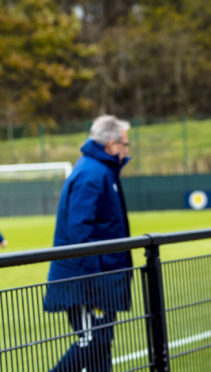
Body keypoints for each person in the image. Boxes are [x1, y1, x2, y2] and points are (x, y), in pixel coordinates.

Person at [44, 115, 133, 372]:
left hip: (99, 277)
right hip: (87, 281)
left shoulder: (101, 170)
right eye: (124, 145)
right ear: (111, 144)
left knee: (101, 346)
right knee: (92, 341)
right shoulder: (92, 173)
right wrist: (93, 280)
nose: (126, 151)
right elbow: (79, 231)